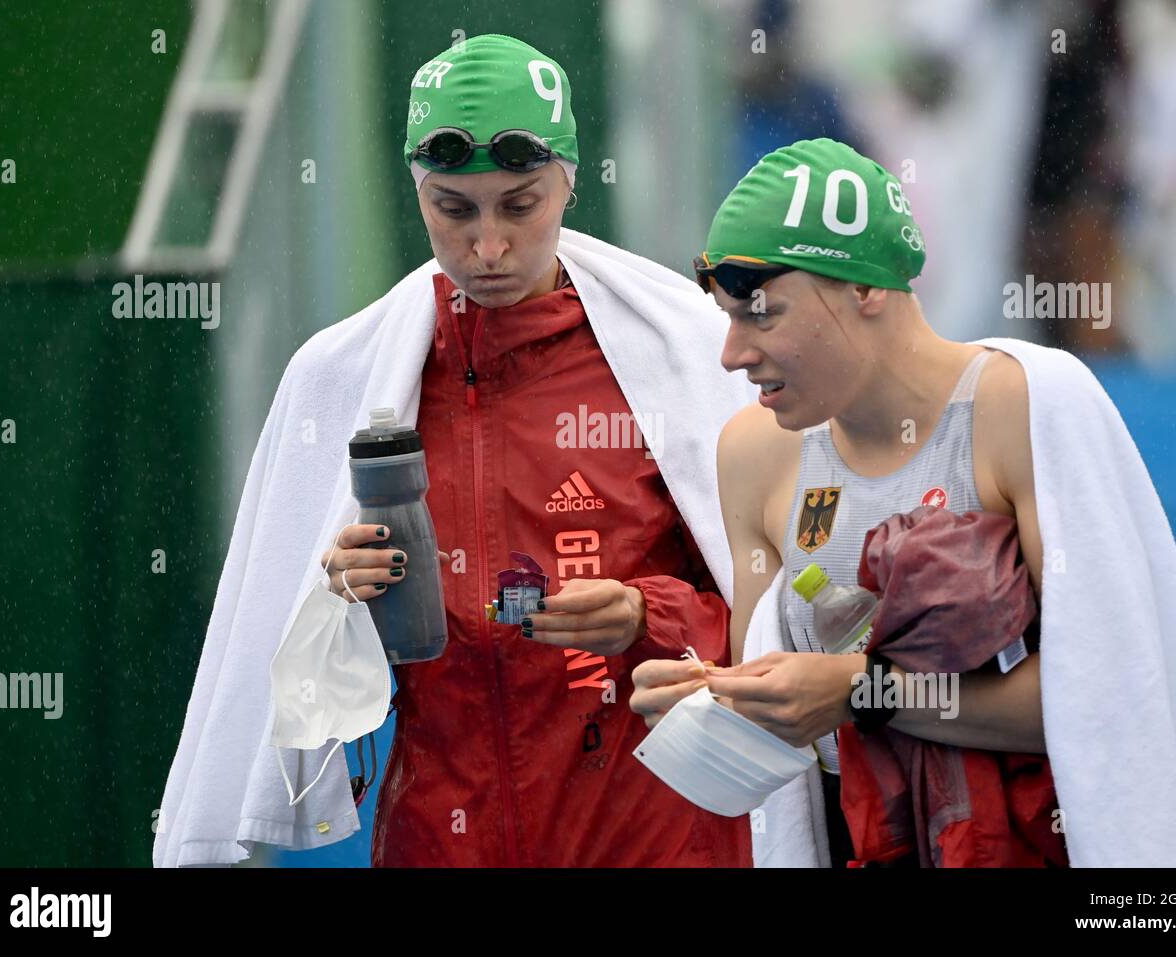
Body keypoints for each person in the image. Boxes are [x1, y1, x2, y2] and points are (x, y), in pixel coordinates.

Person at [153, 34, 754, 868]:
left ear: (572, 182)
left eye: (520, 203)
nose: (488, 247)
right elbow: (288, 646)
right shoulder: (352, 375)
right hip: (443, 826)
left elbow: (783, 615)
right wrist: (341, 596)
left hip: (650, 828)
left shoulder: (684, 353)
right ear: (417, 192)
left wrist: (651, 617)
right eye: (454, 209)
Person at [629, 138, 1176, 867]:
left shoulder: (1024, 405)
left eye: (760, 314)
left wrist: (865, 690)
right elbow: (786, 721)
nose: (731, 353)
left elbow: (1112, 692)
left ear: (863, 288)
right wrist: (710, 698)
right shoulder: (753, 453)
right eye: (727, 317)